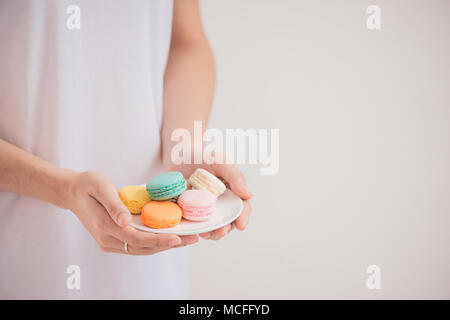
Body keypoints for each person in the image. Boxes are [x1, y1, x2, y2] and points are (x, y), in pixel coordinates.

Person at [0, 0, 252, 299]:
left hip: (154, 258)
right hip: (24, 255)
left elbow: (185, 41)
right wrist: (64, 190)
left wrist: (183, 143)